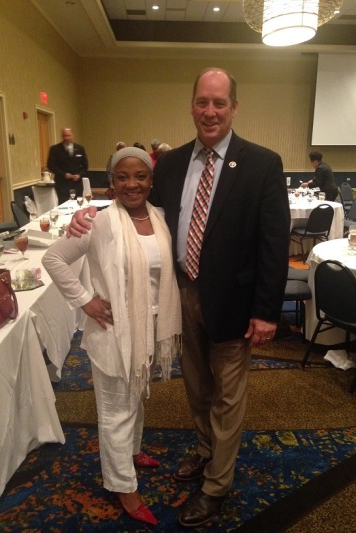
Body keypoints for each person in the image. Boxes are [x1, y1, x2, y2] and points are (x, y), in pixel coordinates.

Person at [67, 67, 290, 527]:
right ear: (192, 105)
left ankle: (216, 486)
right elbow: (137, 211)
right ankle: (206, 452)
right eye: (202, 102)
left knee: (227, 396)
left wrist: (266, 311)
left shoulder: (263, 163)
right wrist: (84, 221)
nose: (210, 111)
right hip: (180, 295)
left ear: (233, 108)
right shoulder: (168, 164)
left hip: (233, 302)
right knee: (196, 387)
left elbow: (274, 242)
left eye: (219, 103)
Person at [42, 147, 181, 526]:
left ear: (152, 181)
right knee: (116, 411)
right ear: (112, 183)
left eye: (140, 176)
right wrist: (85, 300)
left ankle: (132, 452)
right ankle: (123, 485)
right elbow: (53, 258)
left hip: (150, 329)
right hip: (113, 331)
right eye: (123, 177)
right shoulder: (98, 224)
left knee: (135, 396)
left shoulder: (162, 217)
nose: (132, 184)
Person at [47, 128, 88, 204]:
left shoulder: (80, 148)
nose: (66, 138)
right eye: (64, 136)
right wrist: (63, 174)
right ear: (62, 136)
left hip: (77, 184)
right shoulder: (55, 149)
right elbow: (51, 165)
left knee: (78, 205)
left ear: (72, 136)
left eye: (68, 136)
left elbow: (85, 166)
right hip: (62, 184)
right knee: (63, 205)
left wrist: (79, 175)